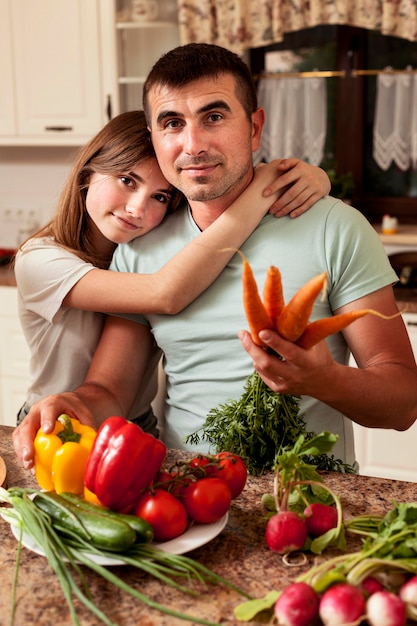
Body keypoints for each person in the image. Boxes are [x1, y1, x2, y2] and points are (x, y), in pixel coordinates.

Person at [14, 43, 417, 472]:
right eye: (172, 123)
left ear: (255, 127)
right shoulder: (139, 248)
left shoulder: (337, 228)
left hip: (311, 497)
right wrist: (75, 403)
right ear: (154, 137)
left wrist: (325, 380)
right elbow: (110, 389)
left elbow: (402, 405)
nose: (194, 144)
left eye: (214, 116)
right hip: (183, 492)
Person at [13, 109, 329, 436]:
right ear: (88, 173)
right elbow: (164, 294)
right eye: (126, 180)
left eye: (159, 196)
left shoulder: (148, 251)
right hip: (53, 424)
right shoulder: (39, 260)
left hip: (136, 428)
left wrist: (314, 178)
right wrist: (266, 187)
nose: (137, 208)